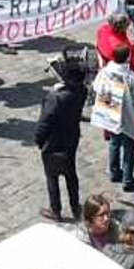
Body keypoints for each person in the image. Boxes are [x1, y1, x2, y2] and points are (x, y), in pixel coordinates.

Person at [36, 62, 87, 221]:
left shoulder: (55, 97)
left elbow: (45, 122)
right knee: (71, 173)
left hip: (53, 141)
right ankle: (75, 205)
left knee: (52, 176)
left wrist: (38, 140)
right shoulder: (82, 91)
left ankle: (55, 209)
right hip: (71, 137)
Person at [92, 45, 134, 191]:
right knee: (129, 149)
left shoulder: (105, 72)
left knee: (114, 143)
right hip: (126, 117)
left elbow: (96, 87)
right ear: (128, 58)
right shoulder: (130, 77)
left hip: (110, 114)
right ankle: (128, 180)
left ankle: (114, 172)